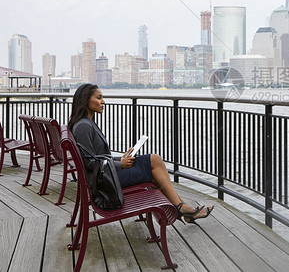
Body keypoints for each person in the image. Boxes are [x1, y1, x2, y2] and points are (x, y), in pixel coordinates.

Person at [68, 83, 213, 222]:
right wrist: (119, 164)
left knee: (154, 161)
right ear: (85, 100)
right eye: (98, 98)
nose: (103, 101)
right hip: (104, 182)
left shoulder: (86, 123)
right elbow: (89, 163)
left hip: (106, 174)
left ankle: (182, 207)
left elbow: (97, 157)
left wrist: (120, 159)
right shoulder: (83, 126)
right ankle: (182, 208)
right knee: (154, 163)